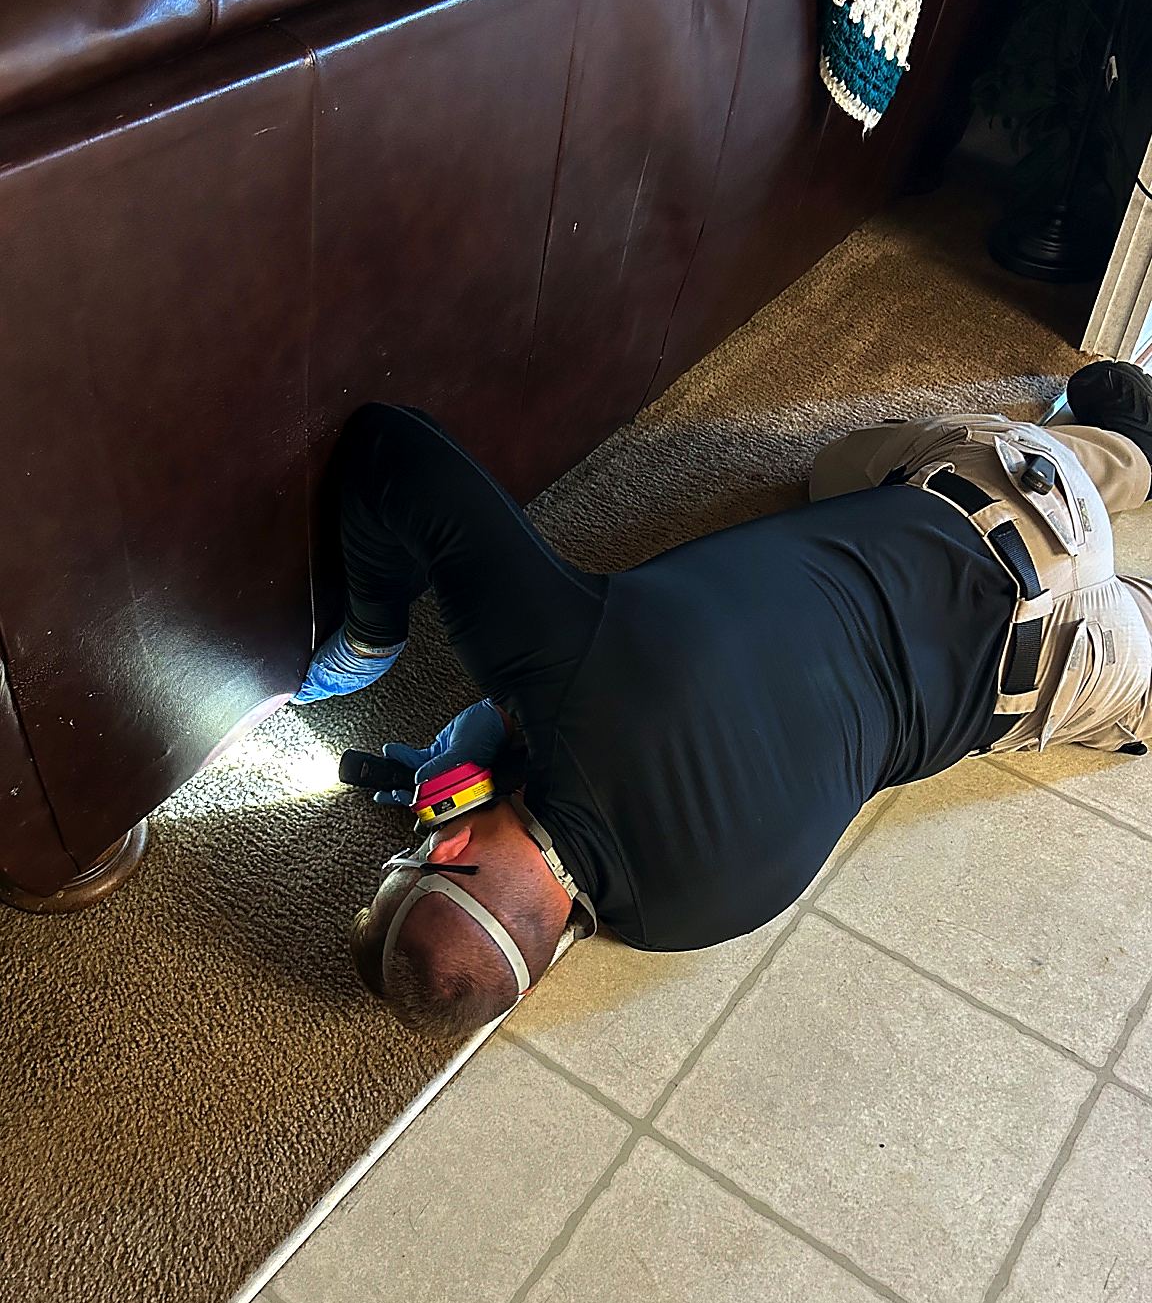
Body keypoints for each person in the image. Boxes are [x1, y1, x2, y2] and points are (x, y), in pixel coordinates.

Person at [294, 362, 1152, 1040]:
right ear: (443, 849)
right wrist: (383, 635)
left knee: (839, 474)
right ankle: (1127, 448)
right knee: (853, 467)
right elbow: (386, 446)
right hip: (1011, 507)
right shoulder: (563, 666)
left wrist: (504, 754)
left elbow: (612, 824)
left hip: (1058, 673)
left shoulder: (679, 923)